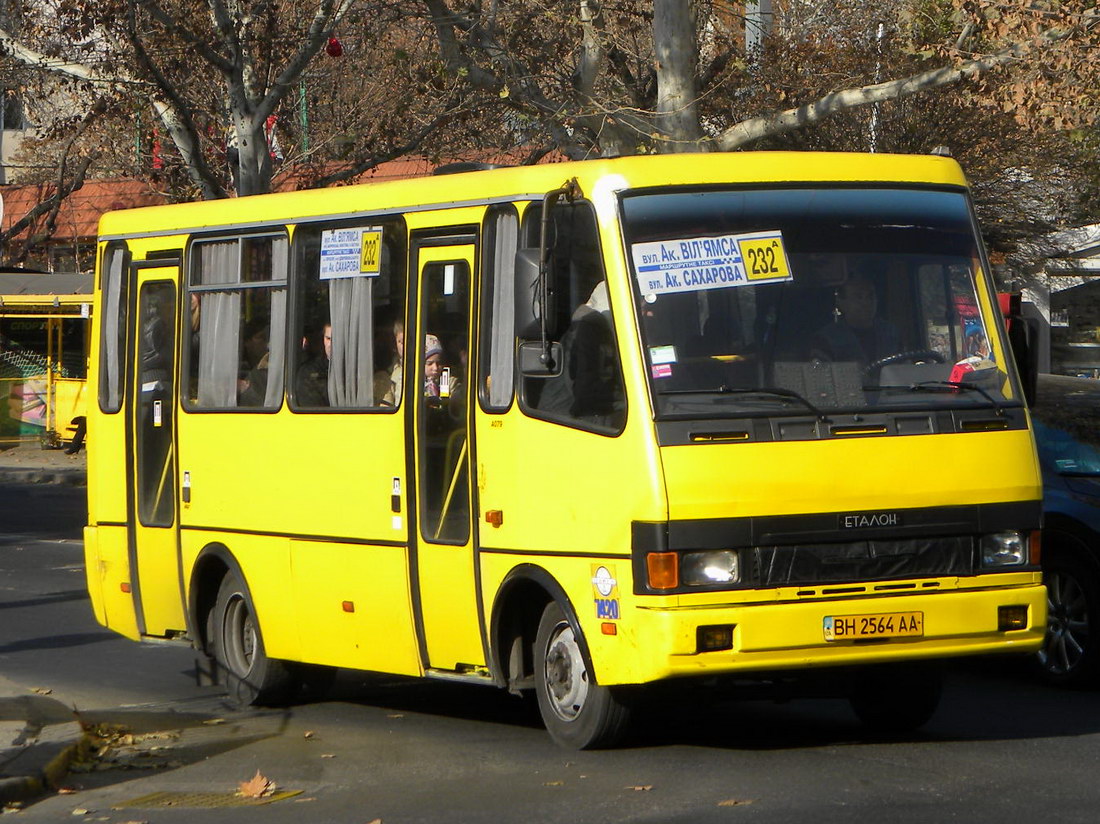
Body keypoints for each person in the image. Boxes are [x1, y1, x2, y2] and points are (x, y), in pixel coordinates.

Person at [811, 268, 900, 366]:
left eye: (870, 296)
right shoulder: (826, 340)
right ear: (841, 303)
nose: (866, 302)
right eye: (858, 297)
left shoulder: (891, 334)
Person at [296, 323, 331, 407]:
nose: (330, 344)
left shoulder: (358, 370)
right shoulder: (309, 372)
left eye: (337, 339)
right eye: (328, 338)